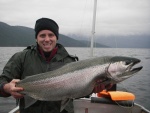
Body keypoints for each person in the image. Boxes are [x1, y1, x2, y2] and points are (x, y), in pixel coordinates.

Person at [0, 18, 112, 113]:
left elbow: (75, 93)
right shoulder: (21, 57)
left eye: (51, 35)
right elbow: (2, 82)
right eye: (42, 35)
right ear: (36, 38)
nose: (47, 39)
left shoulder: (70, 62)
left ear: (56, 37)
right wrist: (6, 88)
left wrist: (92, 89)